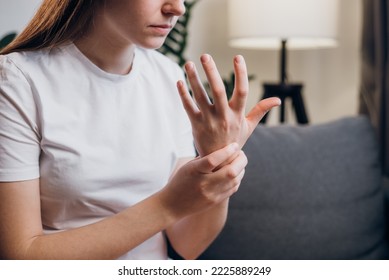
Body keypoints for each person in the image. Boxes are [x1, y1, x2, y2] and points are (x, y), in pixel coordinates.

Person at [0, 0, 280, 260]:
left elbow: (188, 245)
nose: (177, 8)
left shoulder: (167, 75)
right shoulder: (18, 79)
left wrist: (219, 160)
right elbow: (21, 255)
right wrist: (167, 206)